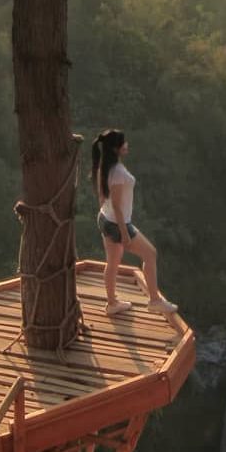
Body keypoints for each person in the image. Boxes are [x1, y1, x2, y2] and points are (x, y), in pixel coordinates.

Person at [90, 129, 178, 317]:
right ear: (116, 148)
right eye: (124, 143)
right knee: (150, 254)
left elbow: (102, 197)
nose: (127, 145)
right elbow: (117, 205)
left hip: (104, 218)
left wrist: (109, 217)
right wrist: (124, 234)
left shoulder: (104, 167)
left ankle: (112, 303)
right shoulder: (118, 172)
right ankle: (154, 300)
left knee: (112, 262)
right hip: (116, 222)